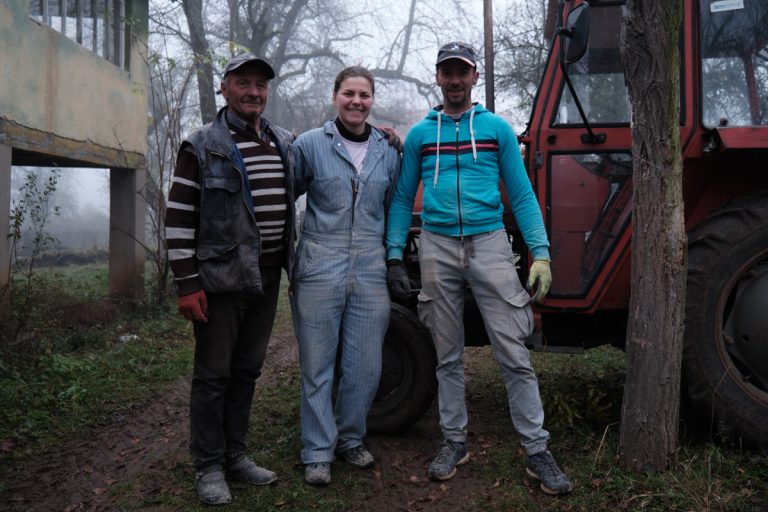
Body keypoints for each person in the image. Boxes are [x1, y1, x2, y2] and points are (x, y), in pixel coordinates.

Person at [385, 42, 572, 495]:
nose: (454, 80)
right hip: (437, 246)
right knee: (446, 354)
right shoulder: (420, 135)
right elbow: (400, 195)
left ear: (473, 78)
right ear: (437, 77)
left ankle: (536, 448)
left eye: (462, 72)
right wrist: (394, 253)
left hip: (488, 245)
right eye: (447, 72)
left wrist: (541, 253)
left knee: (513, 351)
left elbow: (522, 194)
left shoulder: (495, 129)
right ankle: (454, 441)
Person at [165, 53, 296, 505]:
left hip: (267, 276)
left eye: (260, 85)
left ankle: (235, 456)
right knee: (213, 375)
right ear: (224, 88)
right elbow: (179, 217)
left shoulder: (284, 141)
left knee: (246, 372)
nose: (253, 92)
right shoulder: (202, 144)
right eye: (243, 83)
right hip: (219, 279)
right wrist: (186, 283)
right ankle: (208, 466)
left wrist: (385, 137)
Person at [291, 66, 401, 486]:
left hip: (370, 266)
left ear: (373, 100)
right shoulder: (309, 146)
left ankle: (350, 438)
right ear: (335, 96)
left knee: (364, 365)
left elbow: (395, 204)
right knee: (318, 364)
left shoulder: (388, 150)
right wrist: (288, 260)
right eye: (349, 93)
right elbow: (287, 199)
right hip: (320, 262)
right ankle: (317, 449)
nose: (357, 101)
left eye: (364, 95)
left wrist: (392, 260)